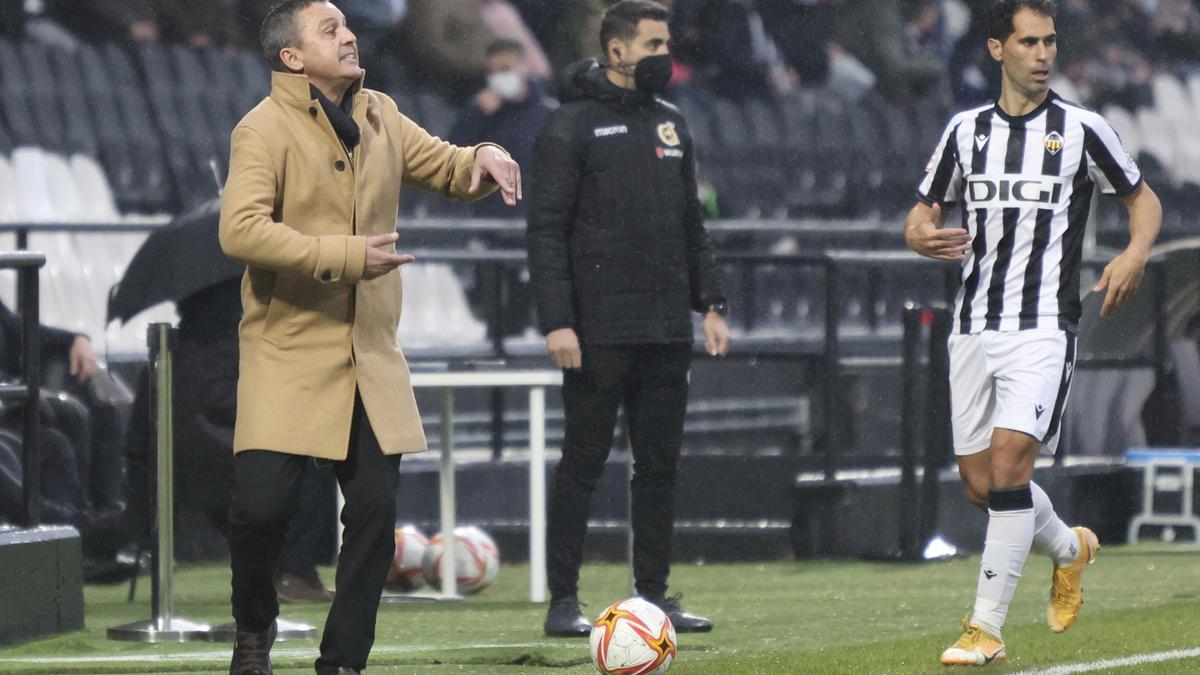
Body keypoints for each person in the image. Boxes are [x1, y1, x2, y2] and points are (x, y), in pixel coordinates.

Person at [218, 1, 521, 673]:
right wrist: (347, 254)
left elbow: (448, 166)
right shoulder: (260, 129)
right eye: (329, 29)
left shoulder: (380, 112)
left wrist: (485, 153)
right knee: (260, 509)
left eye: (347, 24)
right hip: (287, 348)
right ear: (291, 57)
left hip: (369, 352)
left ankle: (344, 659)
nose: (350, 34)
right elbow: (238, 231)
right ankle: (253, 627)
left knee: (377, 510)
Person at [904, 0, 1162, 666]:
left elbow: (1143, 197)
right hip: (971, 326)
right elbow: (920, 211)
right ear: (997, 49)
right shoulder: (964, 131)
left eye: (1049, 41)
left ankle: (984, 627)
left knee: (1013, 462)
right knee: (981, 484)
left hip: (1044, 324)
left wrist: (1135, 252)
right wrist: (919, 235)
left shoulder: (1081, 128)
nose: (1043, 53)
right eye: (1028, 42)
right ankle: (1071, 548)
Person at [527, 0, 731, 639]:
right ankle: (564, 600)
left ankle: (653, 597)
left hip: (667, 326)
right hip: (596, 332)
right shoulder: (569, 127)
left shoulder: (673, 123)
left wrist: (713, 303)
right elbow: (547, 232)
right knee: (582, 464)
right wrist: (558, 321)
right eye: (651, 45)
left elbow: (692, 222)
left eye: (666, 44)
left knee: (660, 468)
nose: (663, 57)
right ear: (615, 51)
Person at [449, 38, 556, 218]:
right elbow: (453, 159)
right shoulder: (478, 113)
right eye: (493, 72)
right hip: (487, 222)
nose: (499, 77)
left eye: (506, 69)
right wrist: (475, 115)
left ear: (524, 66)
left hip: (533, 220)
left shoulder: (549, 114)